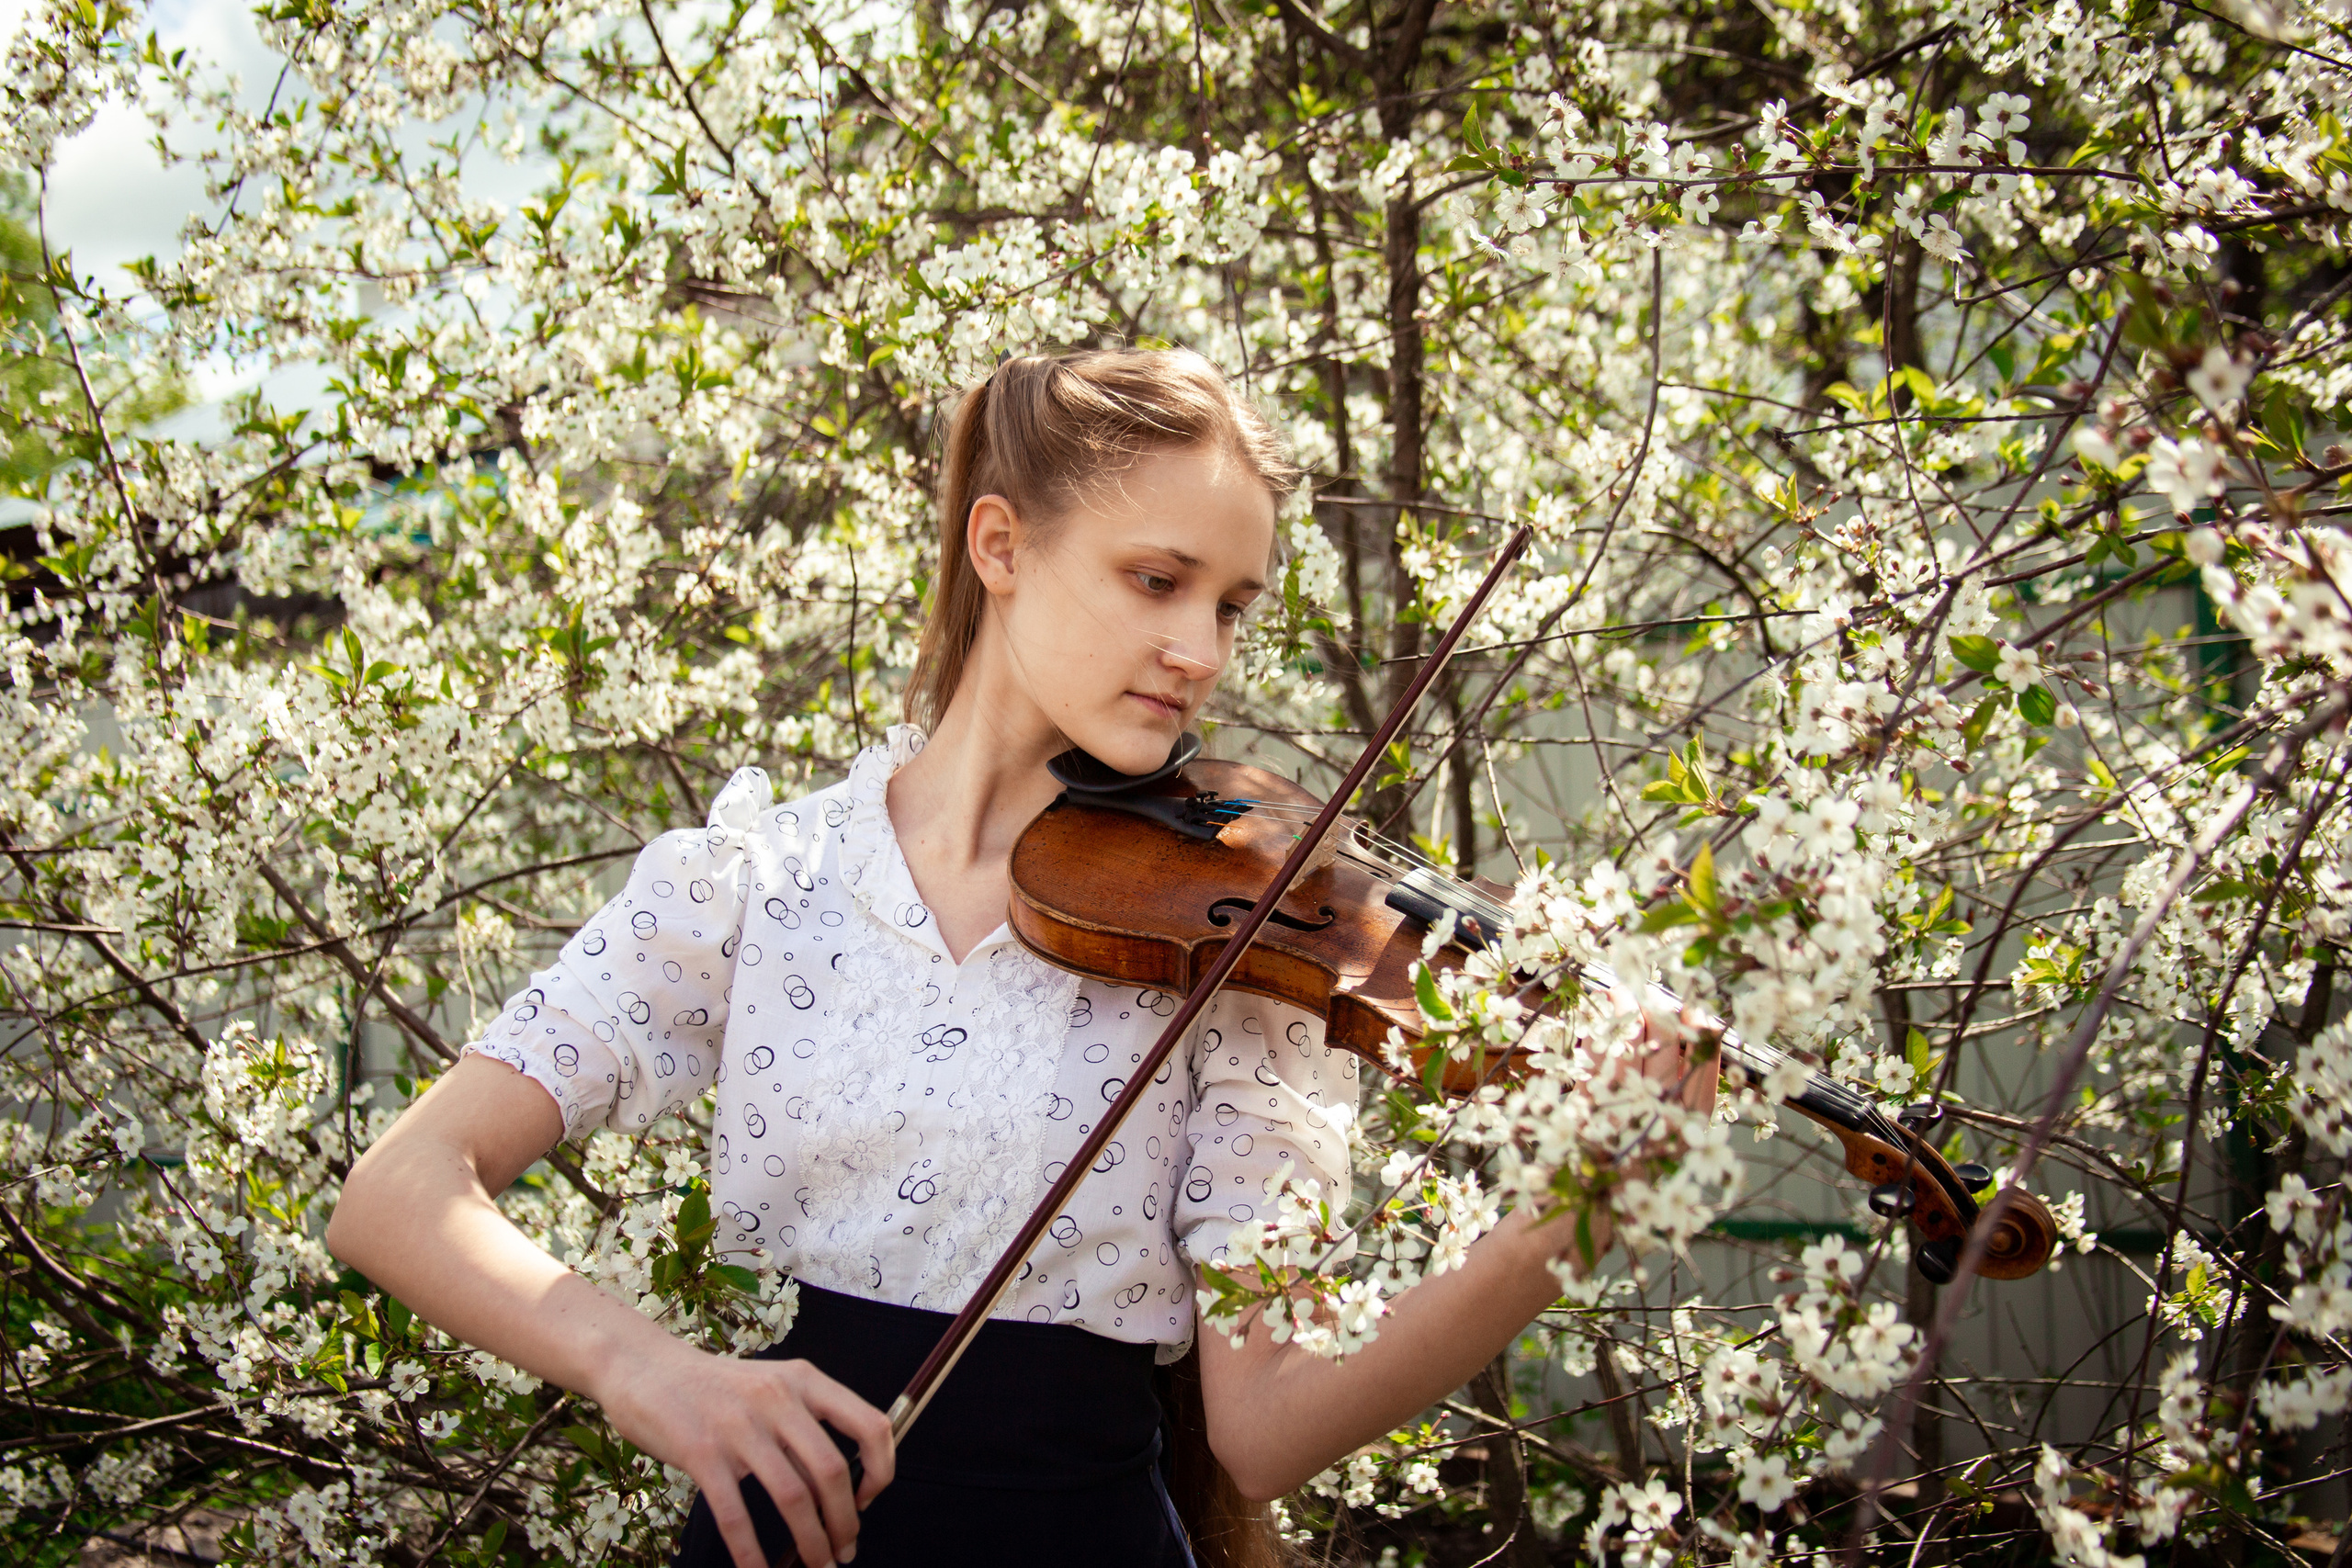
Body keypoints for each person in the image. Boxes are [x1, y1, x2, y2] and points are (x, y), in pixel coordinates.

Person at [327, 348, 1712, 1568]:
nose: (1198, 650)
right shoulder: (760, 882)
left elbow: (1270, 1429)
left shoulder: (1233, 945)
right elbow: (399, 1192)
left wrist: (1570, 1218)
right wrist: (654, 1375)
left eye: (1232, 606)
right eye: (1157, 580)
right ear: (1000, 545)